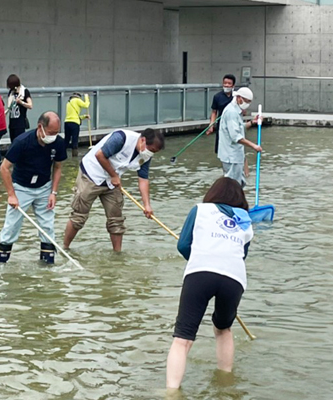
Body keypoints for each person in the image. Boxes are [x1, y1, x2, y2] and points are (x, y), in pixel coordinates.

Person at [165, 177, 254, 390]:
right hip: (234, 278)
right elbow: (241, 255)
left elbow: (183, 245)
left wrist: (198, 259)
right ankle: (225, 383)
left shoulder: (200, 210)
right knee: (223, 329)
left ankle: (172, 392)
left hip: (201, 273)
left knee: (183, 338)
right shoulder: (246, 221)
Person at [63, 128, 165, 252]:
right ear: (143, 140)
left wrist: (147, 205)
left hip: (112, 183)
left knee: (116, 219)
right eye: (152, 150)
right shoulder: (121, 138)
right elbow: (100, 155)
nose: (151, 153)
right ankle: (65, 248)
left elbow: (143, 179)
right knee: (79, 216)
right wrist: (113, 175)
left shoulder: (146, 155)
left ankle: (117, 254)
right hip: (91, 175)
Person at [0, 111, 67, 264]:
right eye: (50, 133)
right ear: (40, 127)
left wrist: (53, 192)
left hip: (44, 187)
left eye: (56, 133)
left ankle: (47, 265)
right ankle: (2, 264)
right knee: (11, 227)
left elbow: (57, 168)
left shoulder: (58, 143)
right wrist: (11, 194)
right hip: (21, 187)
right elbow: (4, 168)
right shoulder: (22, 142)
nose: (53, 136)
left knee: (47, 227)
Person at [217, 87, 262, 187]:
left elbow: (239, 127)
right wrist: (254, 146)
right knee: (233, 185)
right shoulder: (231, 112)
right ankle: (230, 202)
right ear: (239, 98)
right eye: (246, 101)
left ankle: (237, 201)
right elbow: (235, 136)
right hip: (231, 156)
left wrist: (252, 122)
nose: (247, 104)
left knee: (240, 182)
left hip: (235, 155)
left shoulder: (236, 110)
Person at [5, 74, 33, 143]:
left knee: (20, 142)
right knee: (13, 142)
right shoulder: (11, 92)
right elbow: (9, 106)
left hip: (20, 123)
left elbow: (30, 105)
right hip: (12, 122)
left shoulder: (24, 92)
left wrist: (21, 102)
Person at [64, 92, 91, 157]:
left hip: (67, 122)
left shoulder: (68, 103)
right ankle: (74, 156)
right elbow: (86, 105)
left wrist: (84, 116)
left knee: (66, 140)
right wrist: (86, 97)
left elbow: (73, 115)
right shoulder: (77, 100)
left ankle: (62, 154)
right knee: (74, 140)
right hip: (74, 123)